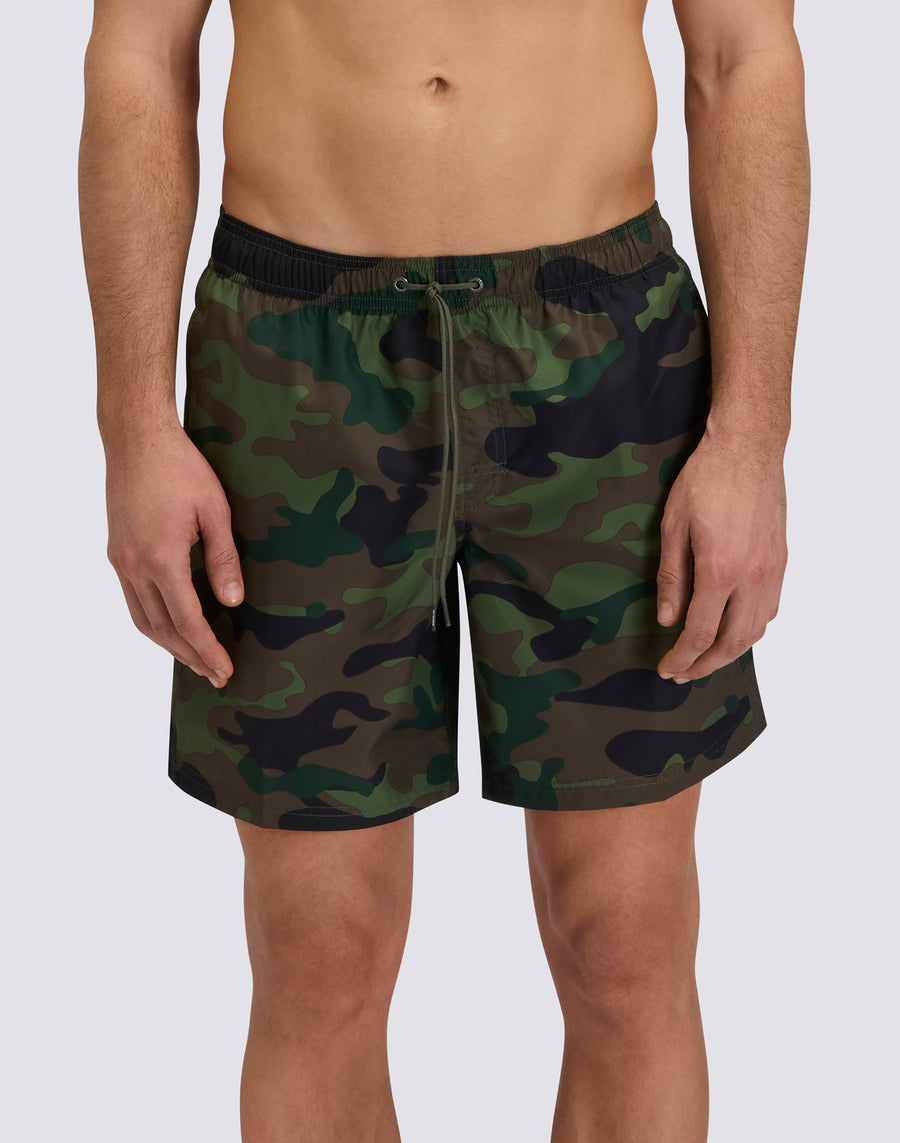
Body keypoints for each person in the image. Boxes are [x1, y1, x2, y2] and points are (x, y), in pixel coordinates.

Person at [78, 0, 809, 1138]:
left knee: (625, 942)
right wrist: (132, 425)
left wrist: (753, 437)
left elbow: (742, 55)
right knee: (319, 956)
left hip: (602, 357)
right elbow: (139, 54)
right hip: (296, 357)